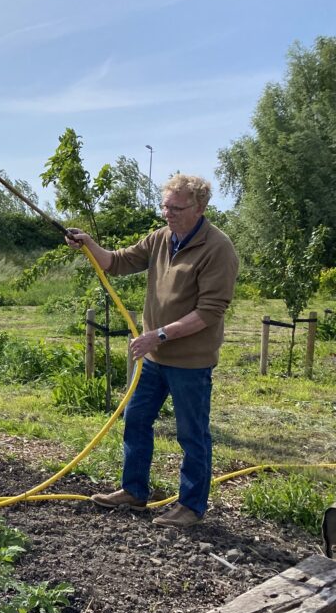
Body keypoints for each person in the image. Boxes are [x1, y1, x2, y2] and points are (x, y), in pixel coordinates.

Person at [65, 174, 239, 528]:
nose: (168, 214)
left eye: (176, 208)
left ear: (200, 207)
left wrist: (156, 336)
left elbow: (209, 313)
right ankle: (134, 492)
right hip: (154, 359)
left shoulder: (218, 248)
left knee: (192, 435)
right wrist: (88, 244)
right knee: (136, 420)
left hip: (190, 362)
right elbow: (116, 262)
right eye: (165, 206)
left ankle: (190, 507)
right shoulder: (161, 238)